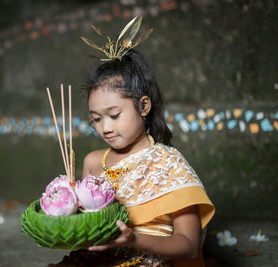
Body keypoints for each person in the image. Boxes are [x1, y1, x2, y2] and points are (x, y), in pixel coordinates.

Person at [51, 18, 214, 267]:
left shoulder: (169, 164)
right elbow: (87, 235)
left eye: (115, 115)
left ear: (143, 106)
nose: (105, 127)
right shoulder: (93, 163)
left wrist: (132, 238)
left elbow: (189, 246)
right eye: (95, 119)